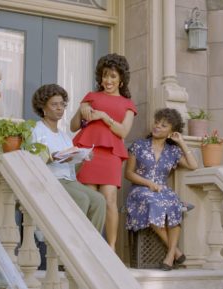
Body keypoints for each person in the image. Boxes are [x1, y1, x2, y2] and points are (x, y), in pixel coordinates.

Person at [70, 53, 137, 251]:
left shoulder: (128, 104)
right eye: (105, 75)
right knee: (90, 200)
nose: (108, 80)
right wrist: (81, 111)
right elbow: (74, 126)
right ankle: (88, 246)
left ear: (121, 80)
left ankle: (110, 248)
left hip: (111, 155)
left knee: (109, 200)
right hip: (88, 152)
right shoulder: (91, 97)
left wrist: (104, 117)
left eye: (113, 76)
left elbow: (123, 131)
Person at [125, 108, 198, 271]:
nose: (157, 126)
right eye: (157, 122)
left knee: (174, 204)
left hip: (162, 191)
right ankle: (177, 252)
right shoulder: (139, 145)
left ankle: (170, 255)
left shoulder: (173, 151)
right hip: (140, 190)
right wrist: (148, 183)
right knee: (153, 203)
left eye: (163, 125)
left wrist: (182, 142)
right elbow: (128, 174)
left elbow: (193, 165)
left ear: (171, 131)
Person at [31, 83, 106, 234]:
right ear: (43, 108)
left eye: (62, 104)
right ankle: (75, 243)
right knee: (82, 199)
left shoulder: (64, 136)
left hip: (69, 181)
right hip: (50, 180)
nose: (60, 108)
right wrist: (52, 157)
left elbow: (72, 170)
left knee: (99, 200)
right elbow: (32, 162)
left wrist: (81, 158)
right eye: (54, 104)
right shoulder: (36, 130)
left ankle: (92, 243)